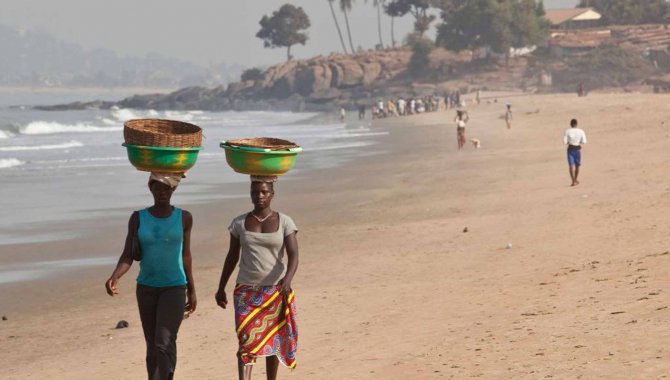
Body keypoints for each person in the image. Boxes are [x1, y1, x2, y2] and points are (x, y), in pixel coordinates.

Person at [105, 172, 196, 380]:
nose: (162, 192)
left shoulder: (184, 217)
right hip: (146, 288)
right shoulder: (138, 218)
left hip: (174, 287)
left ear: (173, 189)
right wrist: (115, 276)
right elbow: (128, 255)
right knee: (152, 346)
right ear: (150, 188)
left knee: (164, 341)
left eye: (167, 188)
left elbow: (186, 255)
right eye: (158, 187)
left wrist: (192, 290)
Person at [216, 176, 299, 380]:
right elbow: (232, 256)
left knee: (274, 339)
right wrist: (221, 287)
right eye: (255, 192)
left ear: (272, 194)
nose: (259, 196)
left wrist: (287, 280)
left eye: (264, 192)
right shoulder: (239, 223)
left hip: (275, 291)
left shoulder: (285, 221)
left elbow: (294, 254)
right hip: (246, 292)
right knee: (246, 341)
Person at [563, 118, 587, 186]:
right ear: (577, 124)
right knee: (577, 166)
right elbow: (584, 141)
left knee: (571, 166)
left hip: (570, 149)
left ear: (570, 124)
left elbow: (564, 142)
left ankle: (573, 181)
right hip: (577, 150)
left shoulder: (567, 131)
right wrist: (578, 141)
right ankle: (575, 179)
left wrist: (569, 141)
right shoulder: (581, 131)